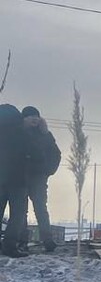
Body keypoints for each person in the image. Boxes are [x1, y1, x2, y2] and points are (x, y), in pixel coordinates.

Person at [19, 106, 61, 252]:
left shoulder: (45, 135)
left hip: (39, 178)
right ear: (24, 118)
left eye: (36, 116)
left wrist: (49, 171)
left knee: (41, 209)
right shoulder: (18, 133)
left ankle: (47, 240)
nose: (34, 119)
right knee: (20, 211)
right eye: (31, 116)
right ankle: (21, 241)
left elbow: (56, 154)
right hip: (21, 177)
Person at [0, 103, 31, 258]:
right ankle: (10, 246)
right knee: (17, 214)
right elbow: (33, 154)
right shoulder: (22, 133)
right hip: (18, 180)